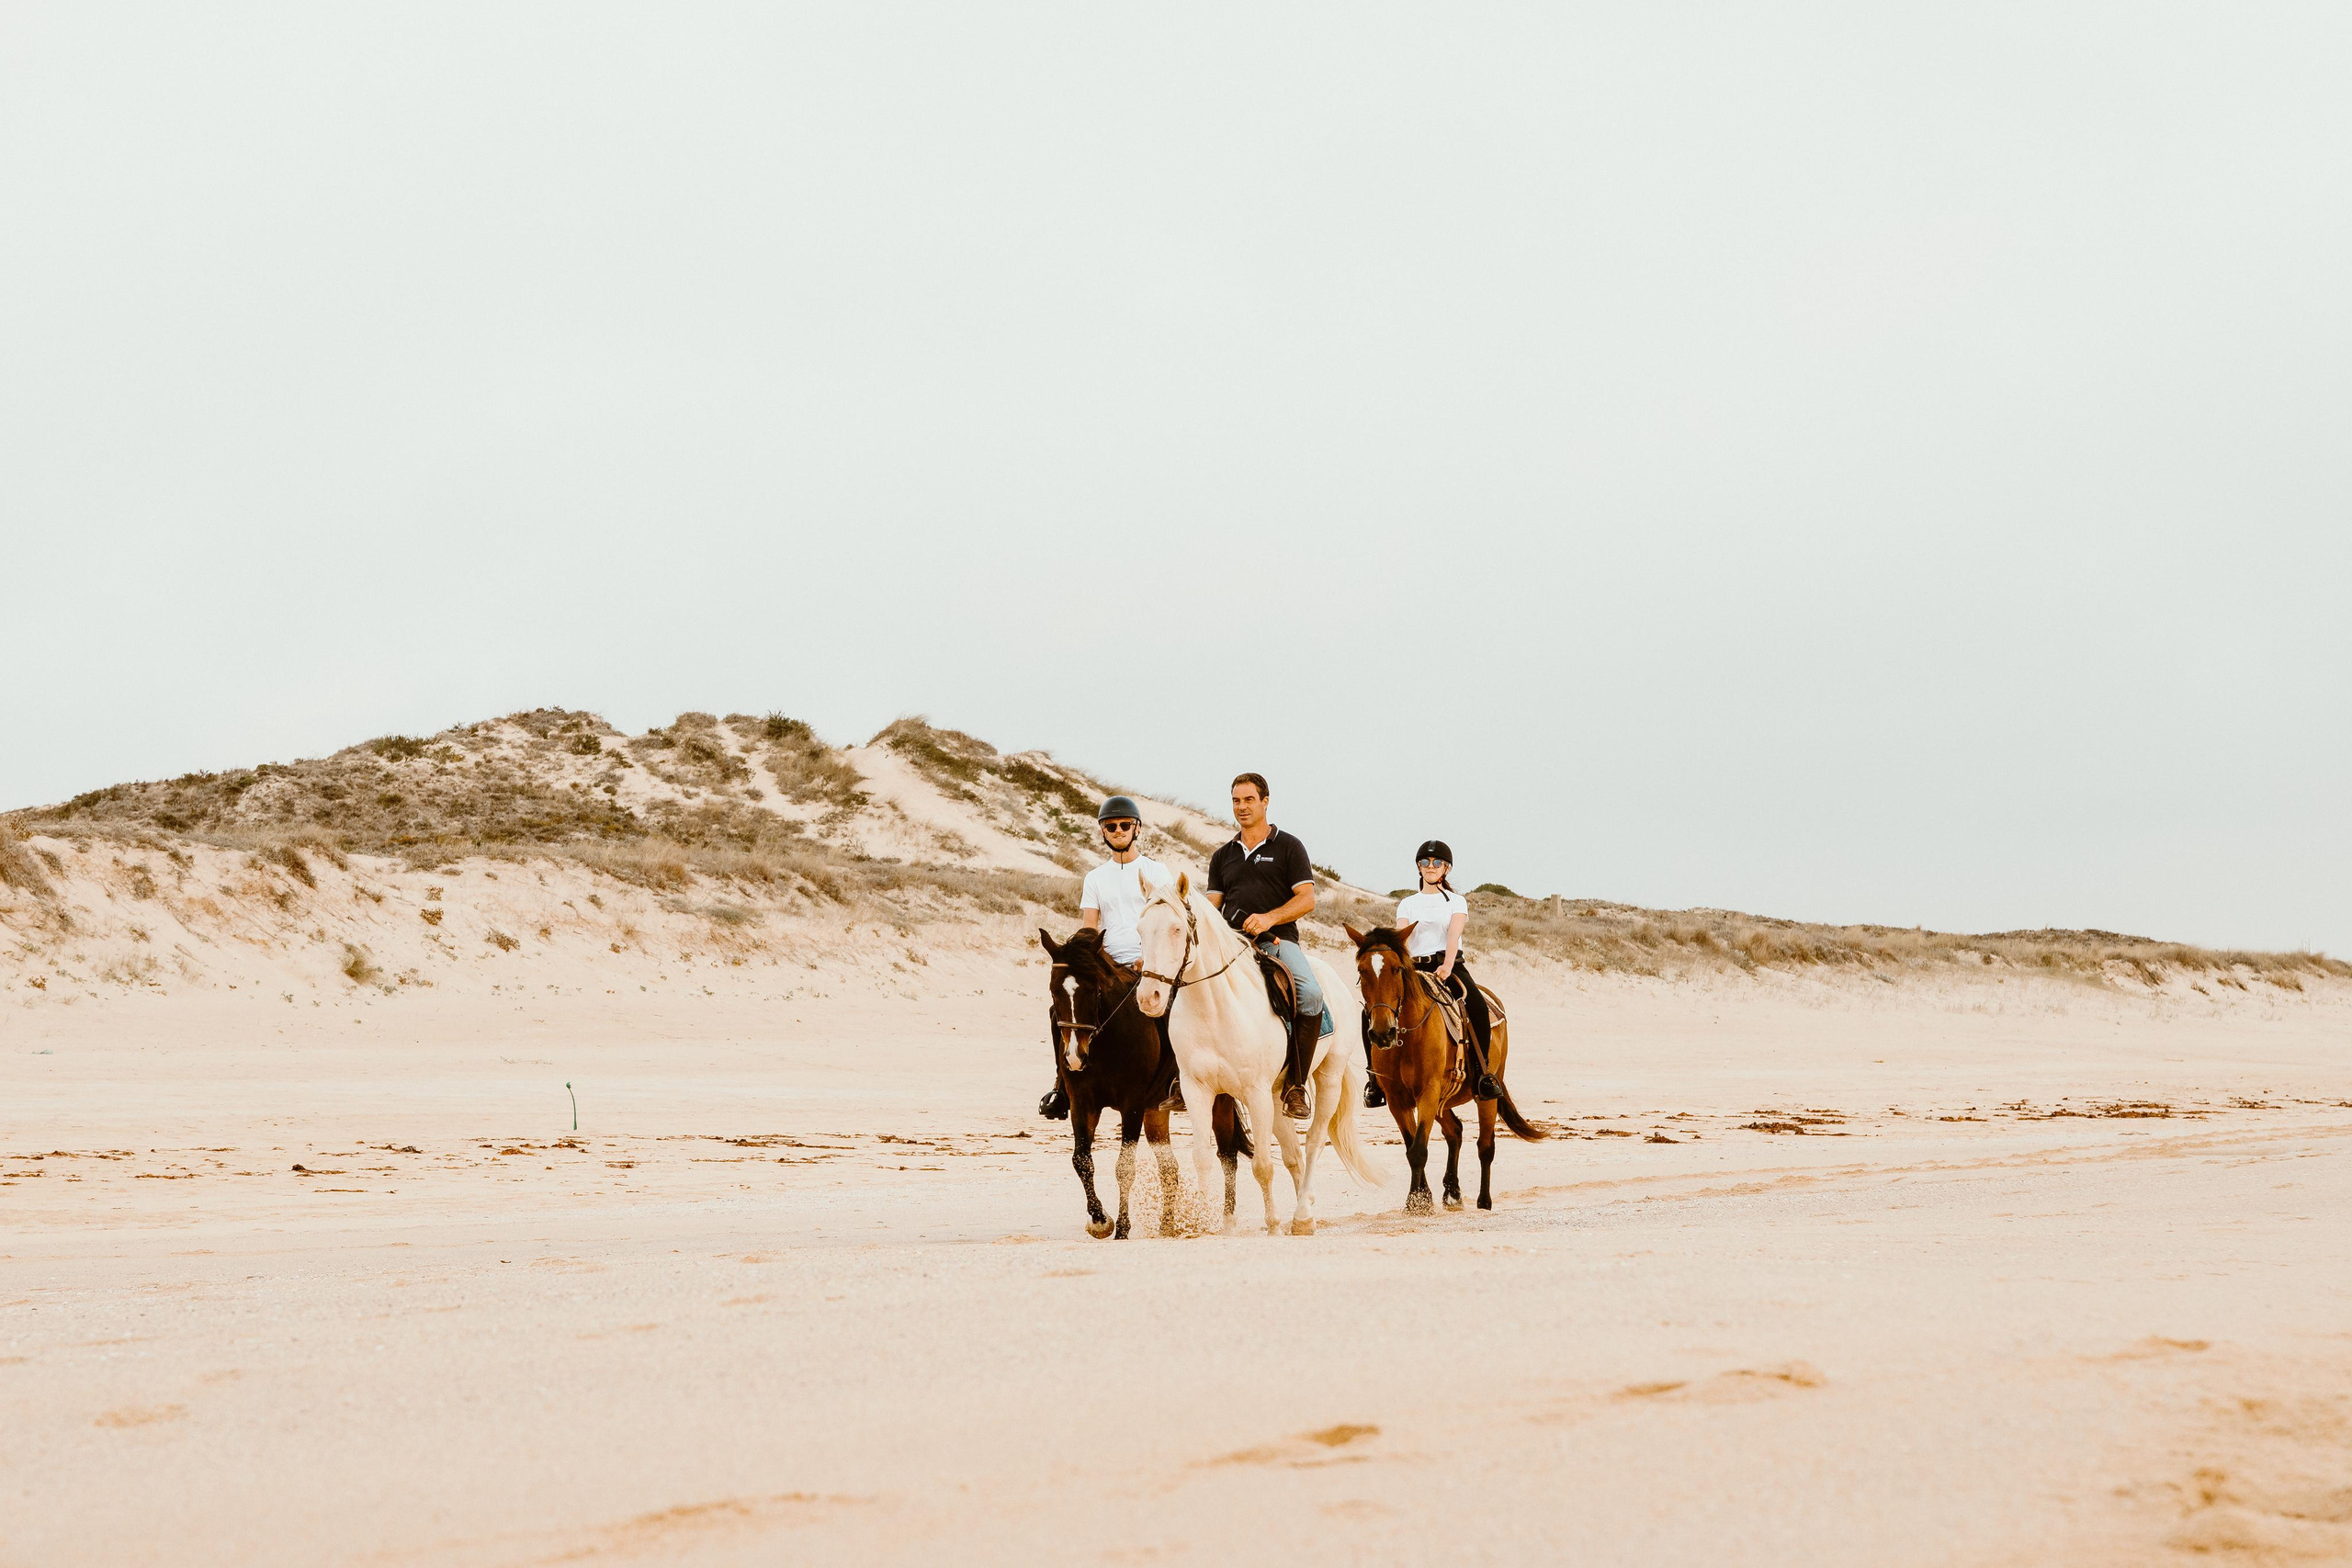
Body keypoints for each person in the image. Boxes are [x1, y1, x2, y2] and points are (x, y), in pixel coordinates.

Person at [1038, 796, 1171, 1121]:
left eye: (1125, 825)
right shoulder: (1095, 877)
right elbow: (1090, 927)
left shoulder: (1156, 871)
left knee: (1173, 1008)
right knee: (1060, 1008)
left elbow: (1167, 920)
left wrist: (1148, 959)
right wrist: (1094, 961)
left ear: (1136, 828)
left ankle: (1174, 1082)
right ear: (1103, 832)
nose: (1118, 830)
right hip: (1109, 965)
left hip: (1149, 964)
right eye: (1110, 826)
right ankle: (1061, 1084)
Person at [1205, 772, 1328, 1119]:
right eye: (1235, 801)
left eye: (1248, 800)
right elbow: (1213, 903)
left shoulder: (1289, 846)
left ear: (1265, 802)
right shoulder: (1222, 856)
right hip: (1231, 944)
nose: (1241, 807)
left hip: (1276, 942)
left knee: (1311, 995)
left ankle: (1296, 1086)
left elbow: (1307, 899)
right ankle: (1179, 1077)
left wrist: (1269, 918)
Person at [1374, 839, 1499, 1106]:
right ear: (1418, 868)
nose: (1430, 867)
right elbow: (1402, 939)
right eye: (1425, 862)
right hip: (1414, 968)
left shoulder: (1456, 902)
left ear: (1446, 869)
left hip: (1448, 965)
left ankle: (1483, 1074)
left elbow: (1453, 935)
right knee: (1375, 1009)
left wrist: (1448, 964)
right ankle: (1375, 1081)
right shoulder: (1407, 904)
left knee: (1476, 1005)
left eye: (1437, 863)